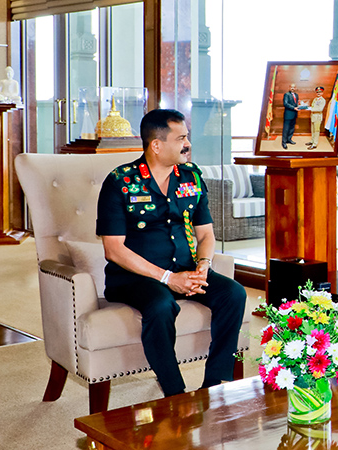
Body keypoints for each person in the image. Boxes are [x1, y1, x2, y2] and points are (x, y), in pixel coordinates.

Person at [96, 109, 246, 397]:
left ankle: (214, 385)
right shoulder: (120, 182)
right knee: (161, 305)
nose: (187, 144)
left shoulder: (191, 176)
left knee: (234, 294)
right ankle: (175, 394)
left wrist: (203, 265)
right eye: (181, 138)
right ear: (156, 145)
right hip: (135, 277)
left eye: (186, 137)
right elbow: (113, 249)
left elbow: (206, 235)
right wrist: (168, 278)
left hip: (186, 270)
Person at [282, 83, 300, 149]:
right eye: (291, 87)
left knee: (292, 128)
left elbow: (296, 103)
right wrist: (293, 108)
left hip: (294, 114)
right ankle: (284, 142)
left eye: (294, 87)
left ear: (295, 88)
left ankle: (289, 139)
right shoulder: (286, 94)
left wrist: (300, 106)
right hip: (288, 114)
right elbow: (285, 103)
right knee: (286, 129)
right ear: (289, 88)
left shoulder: (296, 95)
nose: (292, 88)